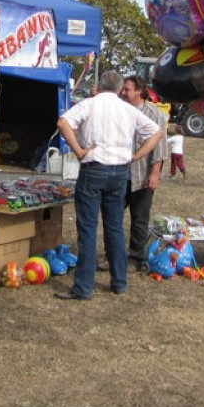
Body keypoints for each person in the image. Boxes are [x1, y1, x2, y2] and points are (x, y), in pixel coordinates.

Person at [54, 70, 163, 300]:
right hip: (120, 171)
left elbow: (63, 123)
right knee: (114, 229)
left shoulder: (90, 104)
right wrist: (136, 155)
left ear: (100, 86)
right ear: (119, 88)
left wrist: (80, 151)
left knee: (88, 229)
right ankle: (119, 282)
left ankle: (84, 287)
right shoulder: (128, 109)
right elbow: (156, 132)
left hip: (94, 169)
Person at [121, 75, 168, 271]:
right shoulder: (121, 110)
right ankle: (112, 255)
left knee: (139, 219)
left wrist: (154, 174)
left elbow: (160, 147)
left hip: (141, 176)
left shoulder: (154, 114)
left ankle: (136, 258)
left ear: (139, 91)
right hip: (120, 175)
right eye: (123, 89)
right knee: (113, 216)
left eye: (127, 90)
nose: (123, 93)